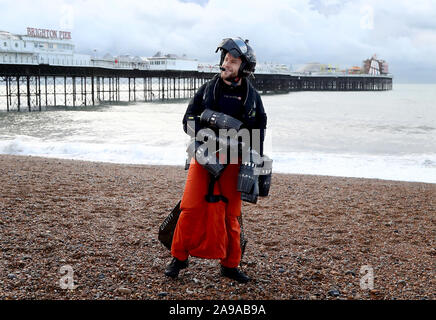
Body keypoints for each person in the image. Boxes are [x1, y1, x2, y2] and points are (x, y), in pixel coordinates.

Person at [164, 37, 268, 283]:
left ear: (244, 67)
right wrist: (210, 122)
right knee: (189, 208)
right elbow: (187, 120)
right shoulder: (207, 89)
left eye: (232, 61)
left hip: (235, 160)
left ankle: (230, 265)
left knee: (231, 215)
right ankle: (178, 259)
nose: (226, 64)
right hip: (203, 154)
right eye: (225, 59)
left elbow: (259, 131)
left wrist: (255, 167)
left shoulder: (252, 98)